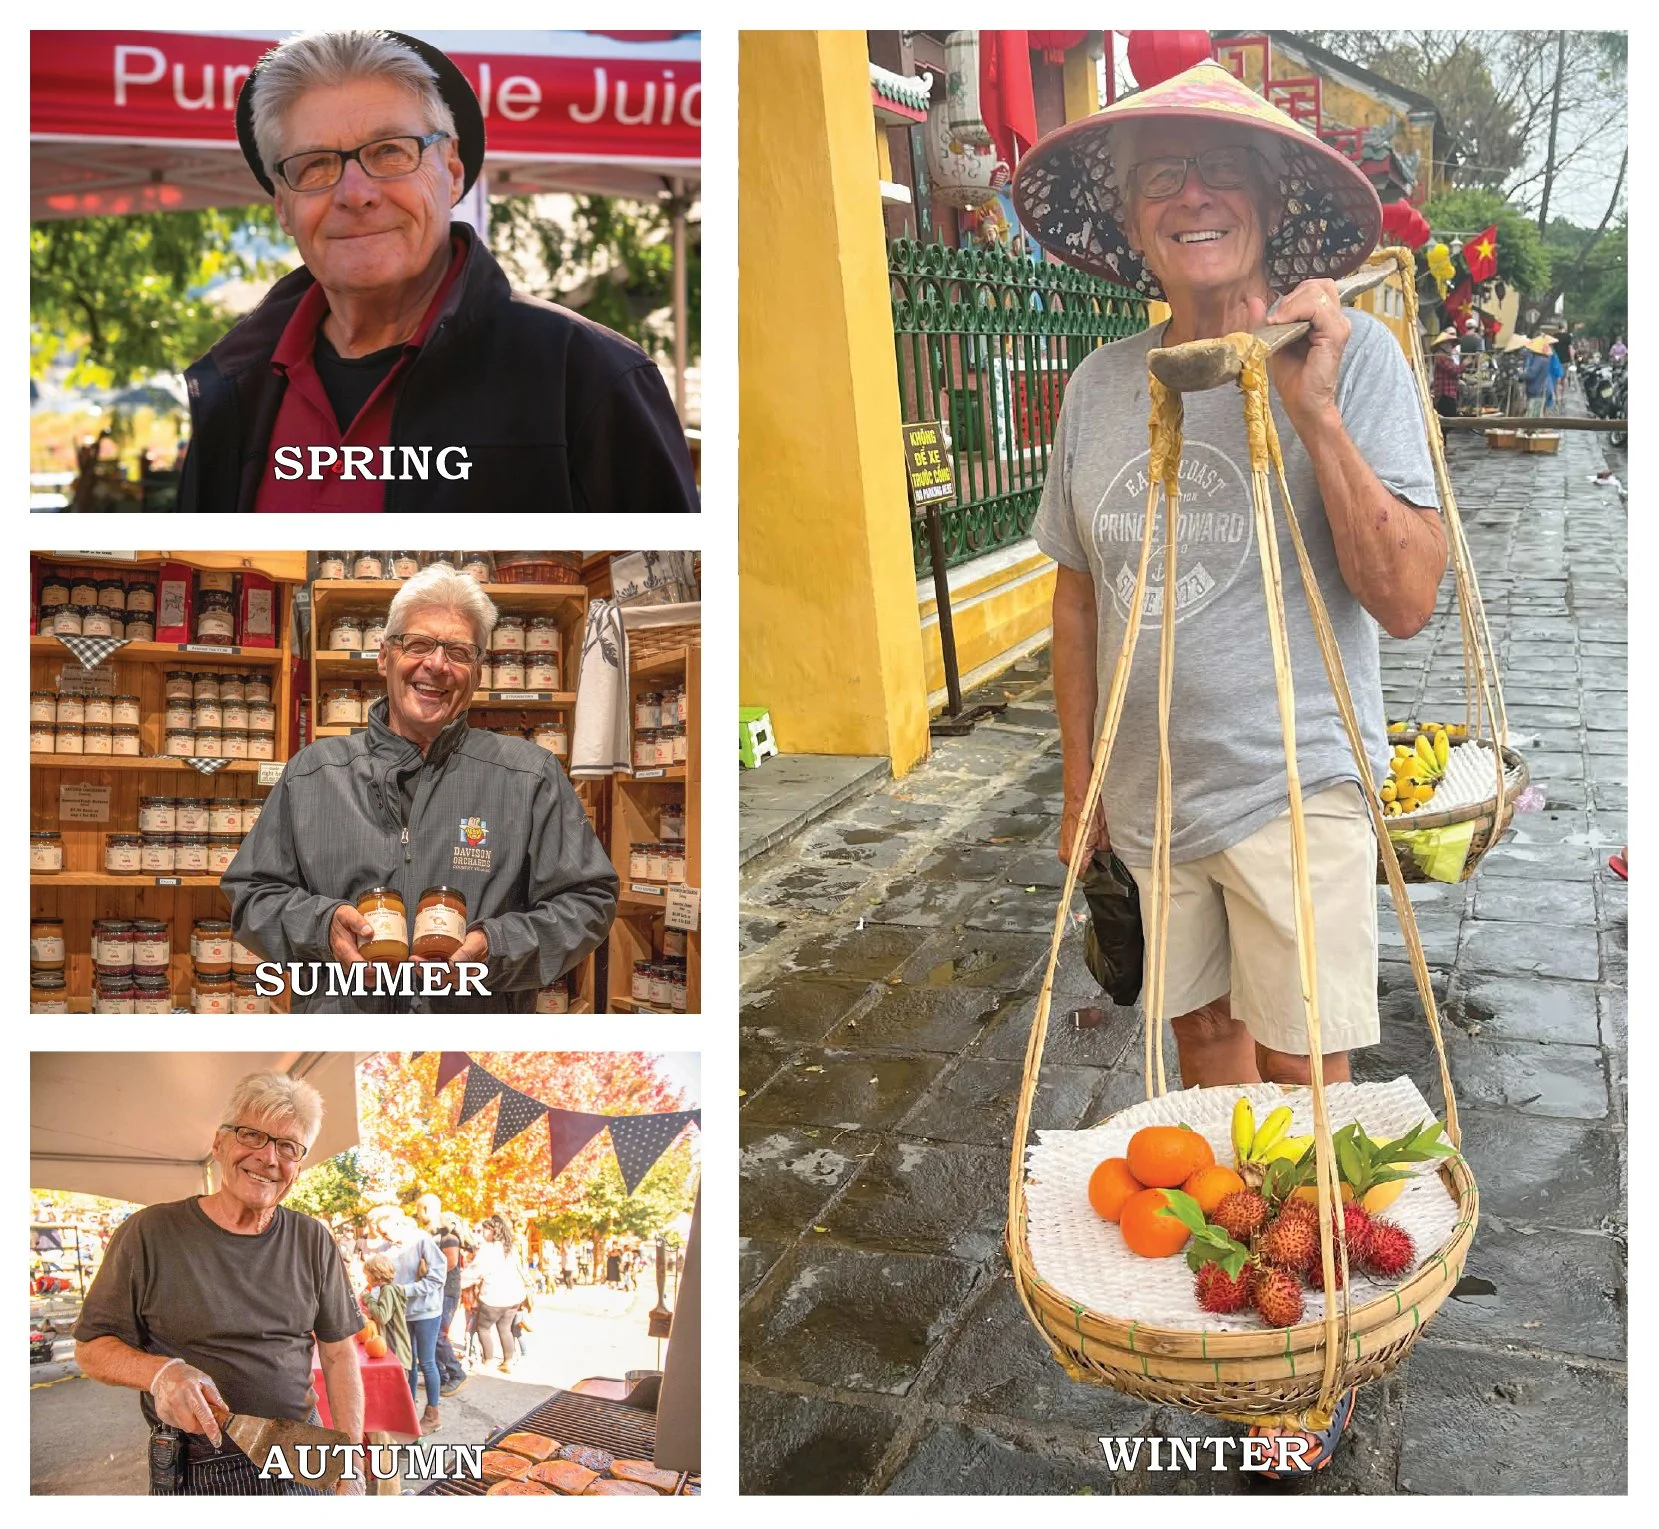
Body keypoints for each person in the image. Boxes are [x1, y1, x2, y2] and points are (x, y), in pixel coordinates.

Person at [1013, 60, 1448, 1472]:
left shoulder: (1356, 359)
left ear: (1267, 206)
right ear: (1130, 224)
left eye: (1215, 175)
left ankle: (1297, 1362)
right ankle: (1236, 1309)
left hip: (1293, 780)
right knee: (1202, 1064)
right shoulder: (1095, 387)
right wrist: (1082, 789)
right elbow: (1075, 593)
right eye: (1155, 181)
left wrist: (1311, 409)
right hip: (1146, 803)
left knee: (1304, 1086)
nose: (1186, 198)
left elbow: (1404, 598)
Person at [179, 29, 697, 515]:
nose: (355, 193)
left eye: (390, 152)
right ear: (283, 208)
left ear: (451, 173)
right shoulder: (233, 388)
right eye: (314, 165)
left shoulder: (589, 376)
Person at [222, 565, 618, 1011]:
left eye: (459, 652)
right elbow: (250, 895)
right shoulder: (312, 774)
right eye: (419, 644)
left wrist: (494, 947)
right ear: (383, 656)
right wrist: (322, 928)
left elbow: (588, 901)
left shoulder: (529, 776)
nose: (436, 664)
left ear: (479, 671)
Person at [72, 1072, 365, 1495]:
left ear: (297, 1166)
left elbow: (339, 1356)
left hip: (303, 1448)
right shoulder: (148, 1232)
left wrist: (349, 1459)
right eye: (252, 1135)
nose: (268, 1158)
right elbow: (90, 1348)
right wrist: (160, 1373)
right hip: (199, 1467)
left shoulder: (312, 1238)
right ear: (219, 1143)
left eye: (288, 1147)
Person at [368, 1208, 445, 1431]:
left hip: (426, 1311)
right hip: (402, 1314)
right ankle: (408, 1412)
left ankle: (433, 1415)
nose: (384, 1237)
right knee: (406, 1363)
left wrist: (403, 1291)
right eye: (381, 1233)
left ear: (397, 1223)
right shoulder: (385, 1248)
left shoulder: (421, 1239)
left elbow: (437, 1277)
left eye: (386, 1231)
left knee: (426, 1362)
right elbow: (383, 1282)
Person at [458, 1215, 527, 1374]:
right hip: (514, 1296)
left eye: (484, 1229)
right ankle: (507, 1361)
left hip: (493, 1296)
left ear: (492, 1230)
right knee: (505, 1328)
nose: (482, 1233)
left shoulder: (489, 1249)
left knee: (483, 1328)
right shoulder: (510, 1247)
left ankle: (488, 1360)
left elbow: (476, 1271)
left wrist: (458, 1283)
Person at [414, 1193, 468, 1397]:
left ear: (426, 1209)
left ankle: (457, 1373)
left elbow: (451, 1262)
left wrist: (426, 1274)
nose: (418, 1215)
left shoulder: (448, 1235)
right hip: (434, 1291)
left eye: (419, 1209)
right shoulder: (429, 1234)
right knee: (429, 1336)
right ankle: (441, 1376)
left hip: (447, 1291)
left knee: (438, 1335)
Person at [360, 1253, 413, 1371]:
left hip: (396, 1348)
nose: (367, 1279)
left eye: (368, 1275)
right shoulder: (390, 1289)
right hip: (397, 1348)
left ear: (376, 1275)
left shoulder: (387, 1290)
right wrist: (371, 1314)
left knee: (400, 1386)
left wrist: (368, 1299)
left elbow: (383, 1317)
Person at [1430, 330, 1461, 420]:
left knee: (1449, 419)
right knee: (1448, 420)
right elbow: (1454, 370)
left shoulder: (1445, 357)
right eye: (1449, 344)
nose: (1451, 347)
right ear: (1442, 345)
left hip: (1447, 394)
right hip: (1445, 395)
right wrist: (1465, 363)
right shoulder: (1441, 357)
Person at [1522, 336, 1555, 418]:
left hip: (1536, 390)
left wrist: (1519, 375)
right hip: (1541, 389)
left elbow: (1531, 374)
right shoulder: (1545, 359)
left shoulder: (1538, 359)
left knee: (1533, 416)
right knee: (1537, 414)